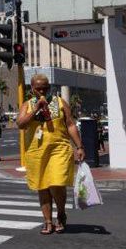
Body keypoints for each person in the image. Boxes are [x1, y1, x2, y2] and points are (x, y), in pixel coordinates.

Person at [16, 75, 84, 235]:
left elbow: (70, 124)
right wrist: (36, 108)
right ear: (31, 88)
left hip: (59, 150)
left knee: (56, 183)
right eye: (38, 88)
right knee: (43, 186)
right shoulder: (27, 105)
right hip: (36, 152)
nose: (42, 91)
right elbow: (20, 124)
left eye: (45, 88)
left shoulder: (60, 102)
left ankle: (61, 214)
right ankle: (47, 221)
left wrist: (79, 146)